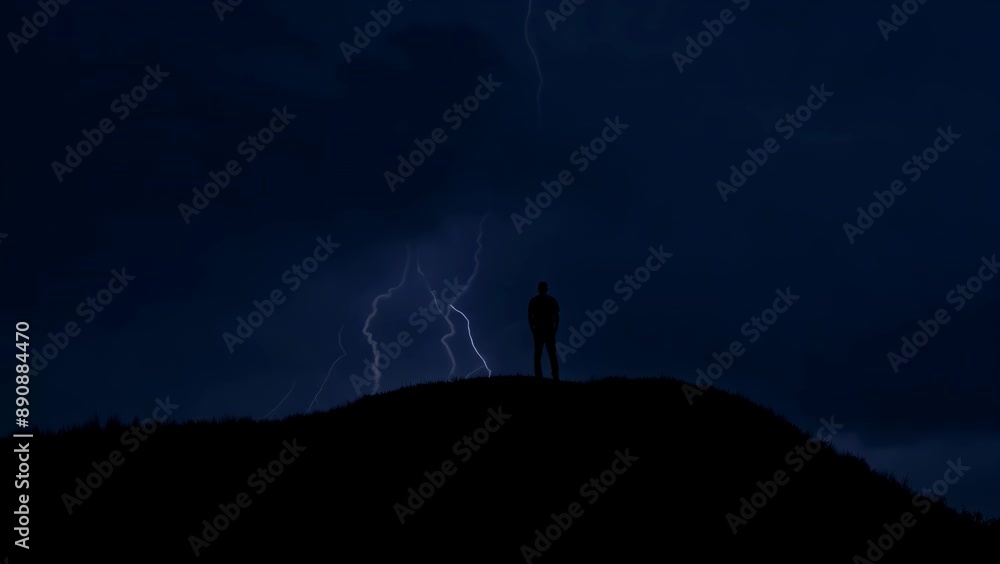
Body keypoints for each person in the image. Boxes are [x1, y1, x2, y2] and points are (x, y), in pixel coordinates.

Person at [528, 281, 560, 381]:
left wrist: (554, 331)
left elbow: (556, 317)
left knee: (547, 354)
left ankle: (550, 376)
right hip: (542, 331)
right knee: (543, 354)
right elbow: (530, 317)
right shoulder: (540, 301)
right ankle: (549, 376)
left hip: (545, 331)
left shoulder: (539, 300)